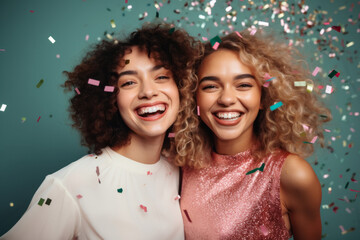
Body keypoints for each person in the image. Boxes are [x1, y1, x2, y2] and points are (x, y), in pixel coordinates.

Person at [1, 23, 201, 240]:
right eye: (129, 82)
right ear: (110, 99)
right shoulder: (67, 184)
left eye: (161, 77)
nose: (148, 92)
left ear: (182, 88)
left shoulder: (181, 172)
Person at [173, 30, 331, 239]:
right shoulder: (181, 166)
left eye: (244, 85)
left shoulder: (292, 174)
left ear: (264, 97)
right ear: (194, 98)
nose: (227, 99)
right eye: (210, 86)